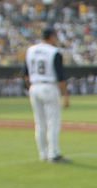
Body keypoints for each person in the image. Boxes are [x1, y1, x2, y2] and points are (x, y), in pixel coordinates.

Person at [25, 28, 69, 163]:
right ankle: (53, 153)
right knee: (53, 122)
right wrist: (65, 95)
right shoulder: (54, 52)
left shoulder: (30, 50)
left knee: (39, 123)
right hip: (49, 86)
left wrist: (31, 87)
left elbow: (26, 74)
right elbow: (60, 77)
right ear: (51, 37)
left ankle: (43, 153)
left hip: (34, 86)